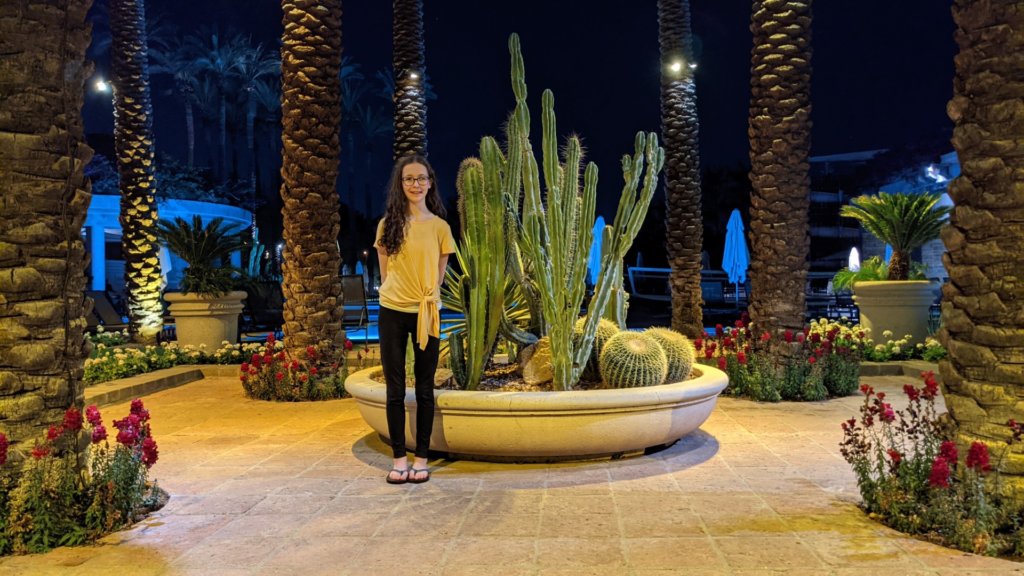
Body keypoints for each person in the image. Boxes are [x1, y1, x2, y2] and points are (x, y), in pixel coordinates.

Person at [374, 154, 456, 485]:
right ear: (400, 184)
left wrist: (427, 299)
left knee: (424, 389)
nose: (415, 184)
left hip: (427, 313)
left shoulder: (440, 227)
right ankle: (398, 458)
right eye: (409, 179)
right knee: (395, 390)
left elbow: (438, 276)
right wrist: (397, 293)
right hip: (392, 311)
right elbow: (385, 270)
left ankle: (421, 458)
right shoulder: (387, 224)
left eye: (421, 178)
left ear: (430, 182)